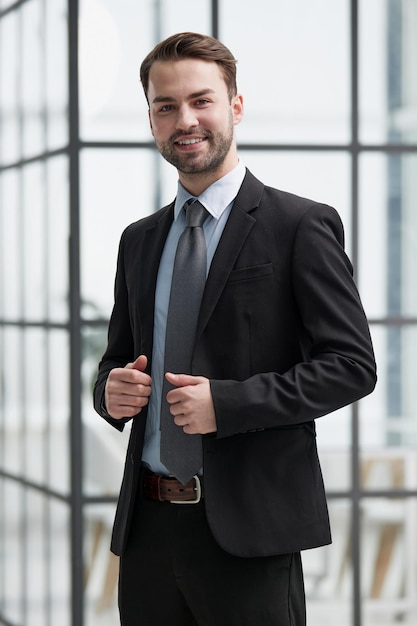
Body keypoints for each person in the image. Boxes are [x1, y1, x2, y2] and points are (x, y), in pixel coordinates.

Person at [93, 31, 377, 626]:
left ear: (235, 106)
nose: (184, 119)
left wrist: (228, 404)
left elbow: (352, 366)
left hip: (249, 532)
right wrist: (111, 393)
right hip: (148, 531)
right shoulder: (140, 240)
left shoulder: (298, 225)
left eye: (202, 100)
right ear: (150, 117)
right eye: (165, 106)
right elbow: (115, 363)